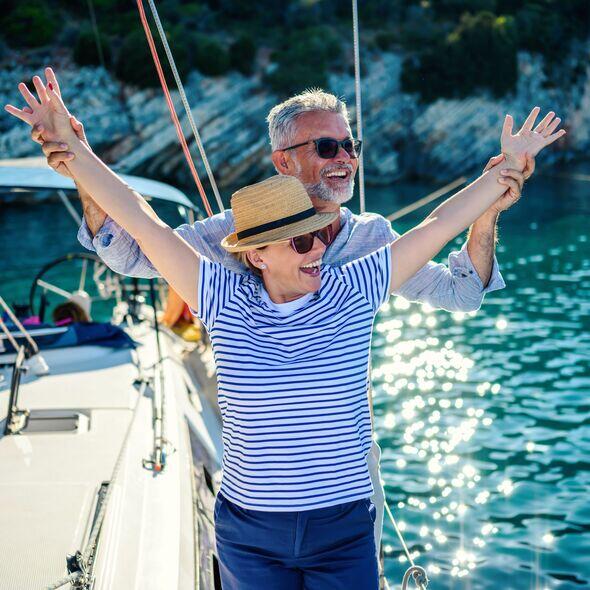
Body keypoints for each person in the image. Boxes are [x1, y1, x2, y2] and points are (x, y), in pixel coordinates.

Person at [5, 68, 565, 590]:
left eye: (320, 234)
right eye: (301, 240)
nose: (319, 247)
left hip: (341, 523)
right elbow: (138, 223)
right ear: (254, 255)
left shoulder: (355, 282)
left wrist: (504, 174)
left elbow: (439, 225)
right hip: (252, 529)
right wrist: (73, 152)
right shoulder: (219, 295)